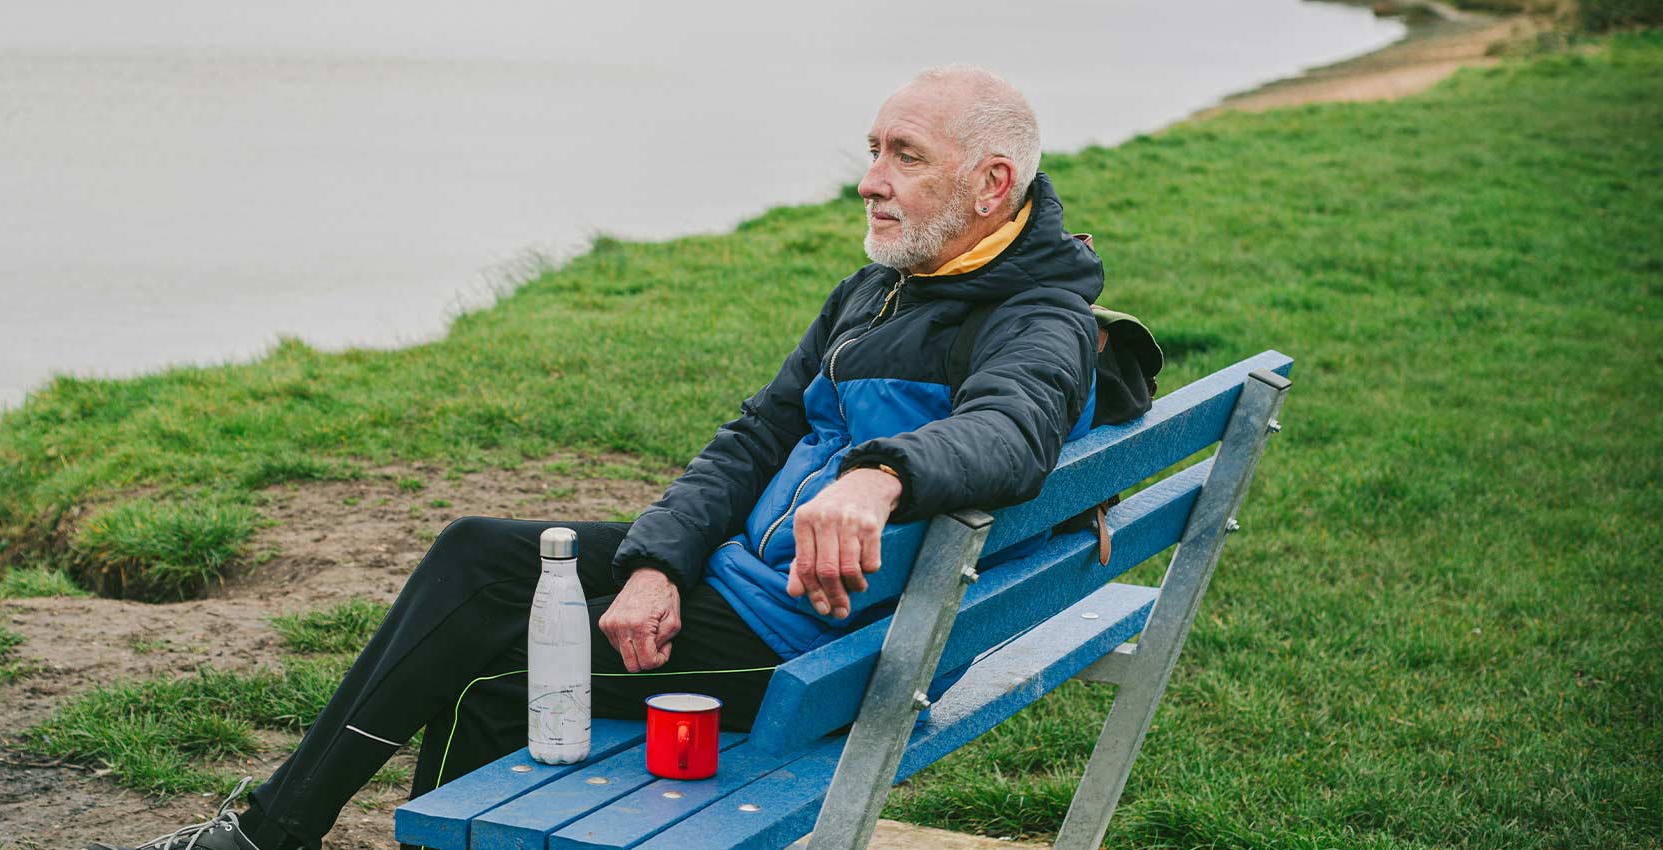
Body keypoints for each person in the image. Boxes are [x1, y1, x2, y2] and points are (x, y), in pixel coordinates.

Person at [90, 63, 1102, 850]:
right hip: (747, 589)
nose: (869, 178)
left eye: (904, 156)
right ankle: (273, 829)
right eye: (873, 148)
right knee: (482, 552)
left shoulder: (1036, 314)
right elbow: (754, 435)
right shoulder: (884, 285)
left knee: (488, 676)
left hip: (810, 651)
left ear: (990, 183)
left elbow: (1011, 428)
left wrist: (880, 473)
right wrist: (660, 561)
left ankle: (270, 831)